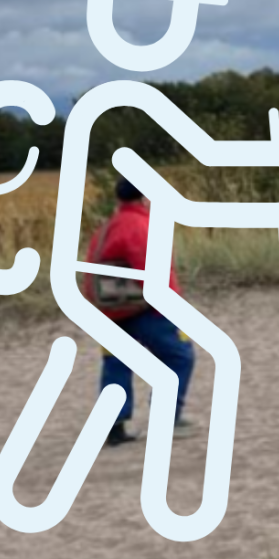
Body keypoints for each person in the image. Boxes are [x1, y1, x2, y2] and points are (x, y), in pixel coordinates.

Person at [89, 177, 197, 447]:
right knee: (179, 356)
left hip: (108, 311)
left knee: (116, 364)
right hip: (141, 309)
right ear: (144, 198)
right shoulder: (139, 225)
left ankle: (114, 427)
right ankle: (167, 418)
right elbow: (153, 271)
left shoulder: (105, 228)